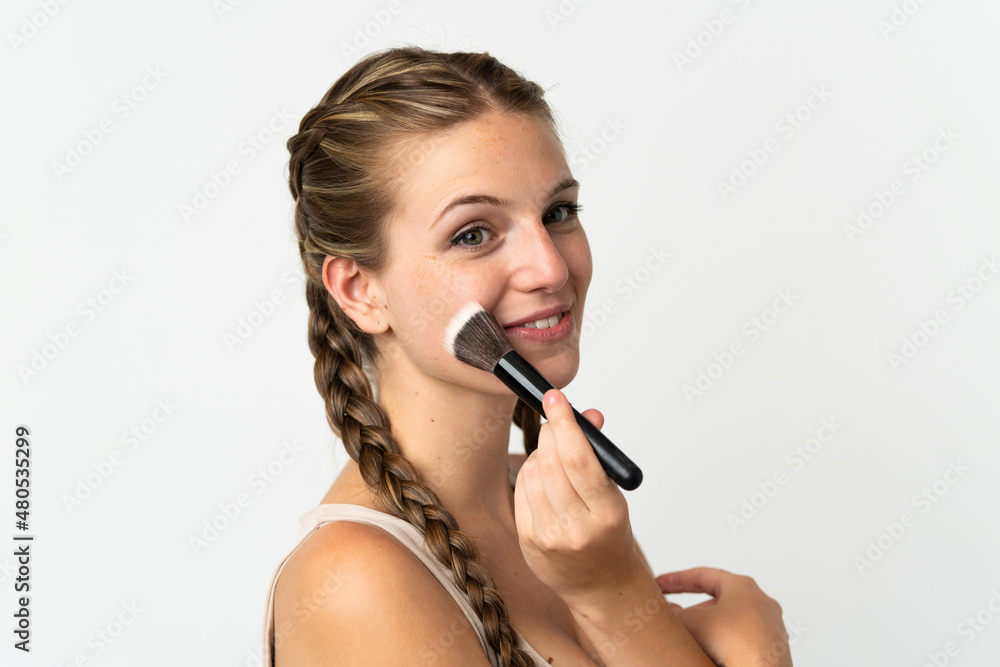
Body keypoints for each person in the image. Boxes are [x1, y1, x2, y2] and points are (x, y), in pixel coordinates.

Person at [262, 46, 792, 666]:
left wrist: (611, 585)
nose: (551, 268)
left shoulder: (553, 510)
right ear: (361, 291)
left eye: (558, 213)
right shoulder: (355, 582)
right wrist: (622, 597)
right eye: (473, 234)